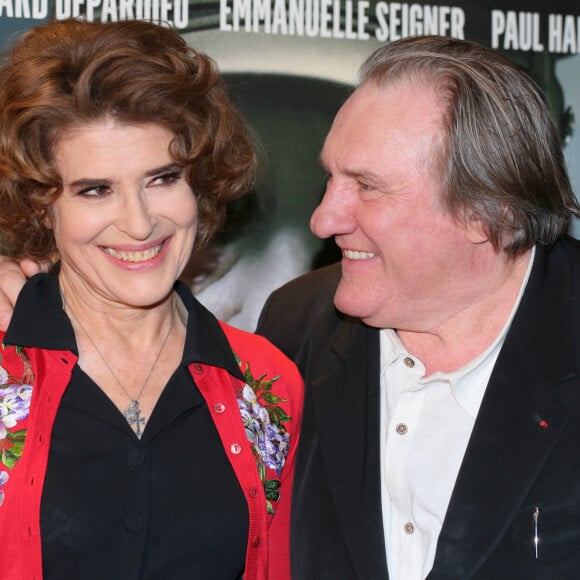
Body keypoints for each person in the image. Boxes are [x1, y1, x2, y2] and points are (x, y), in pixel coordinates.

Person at [257, 36, 580, 578]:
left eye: (366, 186)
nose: (323, 219)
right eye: (330, 178)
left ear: (486, 213)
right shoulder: (296, 326)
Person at [0, 18, 302, 580]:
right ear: (43, 206)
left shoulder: (267, 386)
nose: (140, 224)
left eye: (162, 178)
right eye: (96, 190)